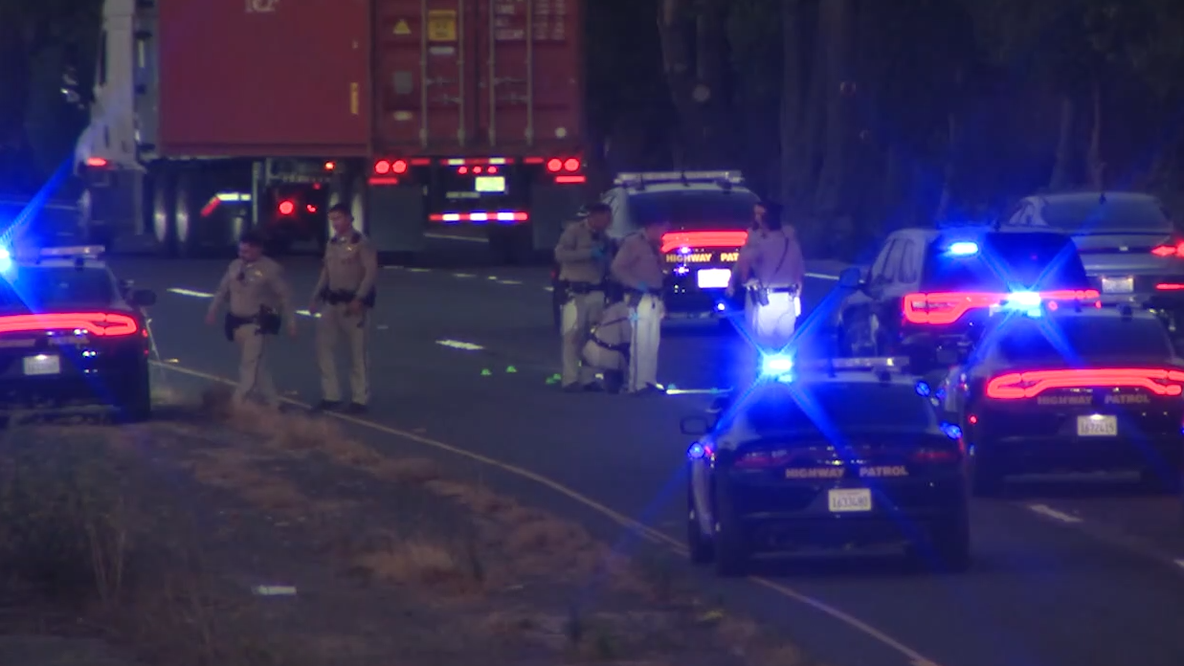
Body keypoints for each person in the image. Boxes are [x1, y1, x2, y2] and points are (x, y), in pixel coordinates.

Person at [205, 231, 297, 408]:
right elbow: (222, 290)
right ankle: (273, 404)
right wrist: (212, 310)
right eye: (240, 251)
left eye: (246, 251)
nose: (242, 255)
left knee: (249, 365)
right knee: (258, 366)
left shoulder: (271, 270)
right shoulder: (234, 266)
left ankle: (237, 404)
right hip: (237, 323)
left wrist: (291, 322)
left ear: (258, 249)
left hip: (257, 325)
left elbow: (285, 297)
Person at [727, 199, 805, 386]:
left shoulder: (761, 244)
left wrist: (745, 280)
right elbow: (800, 275)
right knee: (786, 346)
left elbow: (744, 260)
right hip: (788, 299)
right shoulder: (792, 244)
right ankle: (787, 384)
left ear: (764, 220)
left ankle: (763, 387)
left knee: (763, 347)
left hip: (766, 300)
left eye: (758, 215)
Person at [310, 203, 378, 414]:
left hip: (352, 302)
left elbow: (370, 272)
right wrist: (315, 296)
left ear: (349, 218)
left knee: (357, 352)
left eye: (338, 218)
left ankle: (360, 398)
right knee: (324, 348)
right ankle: (331, 395)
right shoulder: (332, 243)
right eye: (332, 219)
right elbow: (326, 272)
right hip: (332, 302)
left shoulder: (361, 243)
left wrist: (360, 297)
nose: (335, 223)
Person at [554, 203, 612, 392]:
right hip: (575, 291)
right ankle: (570, 378)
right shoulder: (574, 232)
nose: (607, 222)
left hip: (596, 289)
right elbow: (560, 254)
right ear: (594, 217)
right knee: (572, 336)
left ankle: (588, 378)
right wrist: (588, 253)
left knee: (592, 336)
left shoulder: (605, 237)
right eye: (604, 218)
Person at [610, 216, 670, 395]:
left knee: (652, 342)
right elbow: (617, 267)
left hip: (655, 298)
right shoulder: (633, 243)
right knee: (639, 341)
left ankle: (649, 380)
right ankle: (637, 384)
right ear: (652, 226)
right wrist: (637, 284)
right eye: (662, 228)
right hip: (638, 299)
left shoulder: (656, 245)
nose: (663, 233)